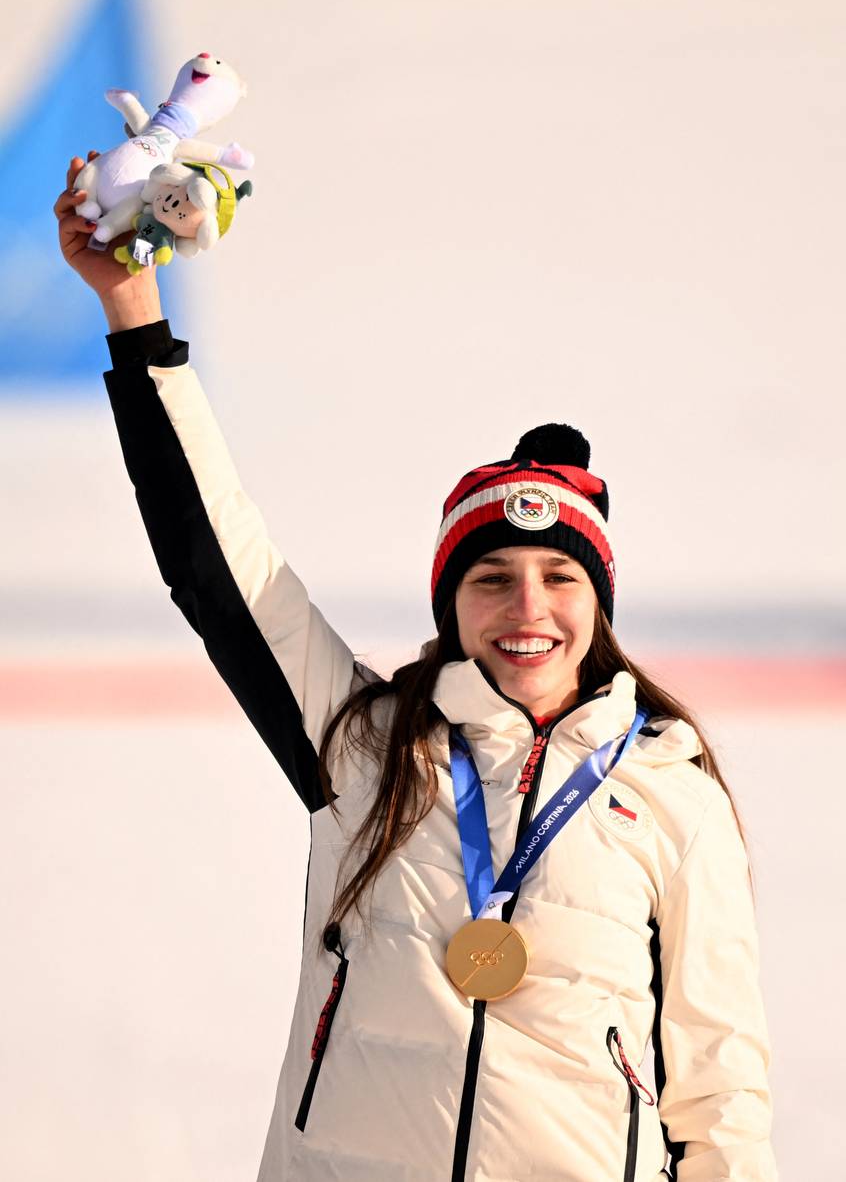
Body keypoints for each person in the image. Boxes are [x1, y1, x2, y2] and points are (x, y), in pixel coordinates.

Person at [56, 155, 778, 1182]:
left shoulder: (671, 791)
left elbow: (720, 1082)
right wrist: (133, 310)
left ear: (597, 604)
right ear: (449, 603)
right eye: (491, 578)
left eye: (558, 578)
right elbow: (219, 568)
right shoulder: (363, 742)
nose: (527, 609)